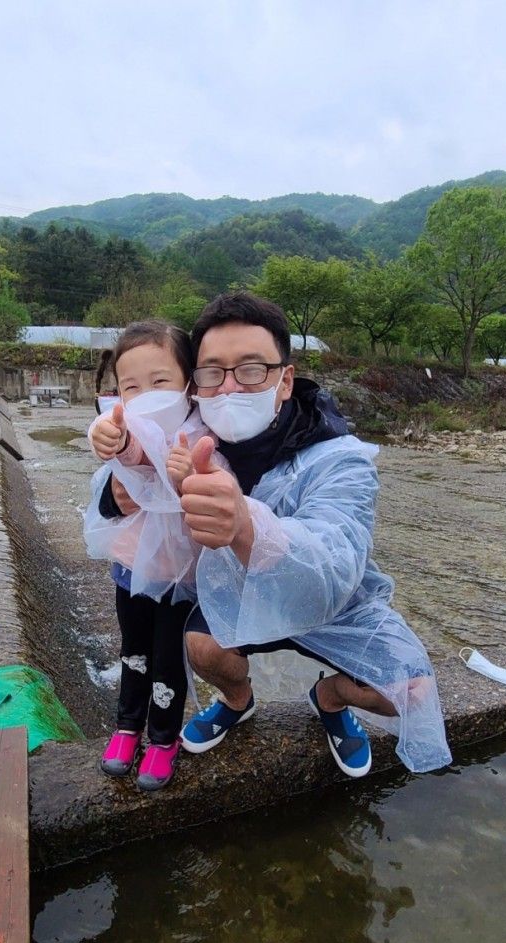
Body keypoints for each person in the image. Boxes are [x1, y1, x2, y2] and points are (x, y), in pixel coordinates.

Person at [171, 291, 451, 777]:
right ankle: (238, 700)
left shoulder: (340, 458)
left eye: (252, 369)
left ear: (285, 381)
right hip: (241, 595)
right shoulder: (187, 439)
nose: (230, 387)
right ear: (196, 384)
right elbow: (122, 468)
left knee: (408, 690)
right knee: (200, 646)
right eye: (213, 372)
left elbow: (336, 554)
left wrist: (245, 524)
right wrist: (118, 473)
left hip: (333, 600)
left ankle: (330, 698)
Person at [83, 320, 207, 791]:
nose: (147, 394)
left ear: (188, 385)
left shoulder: (200, 434)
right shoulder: (123, 425)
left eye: (161, 382)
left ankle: (163, 737)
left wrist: (189, 475)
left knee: (168, 658)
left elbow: (216, 484)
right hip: (130, 569)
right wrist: (107, 436)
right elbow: (127, 446)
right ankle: (126, 726)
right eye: (132, 386)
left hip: (179, 577)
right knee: (133, 650)